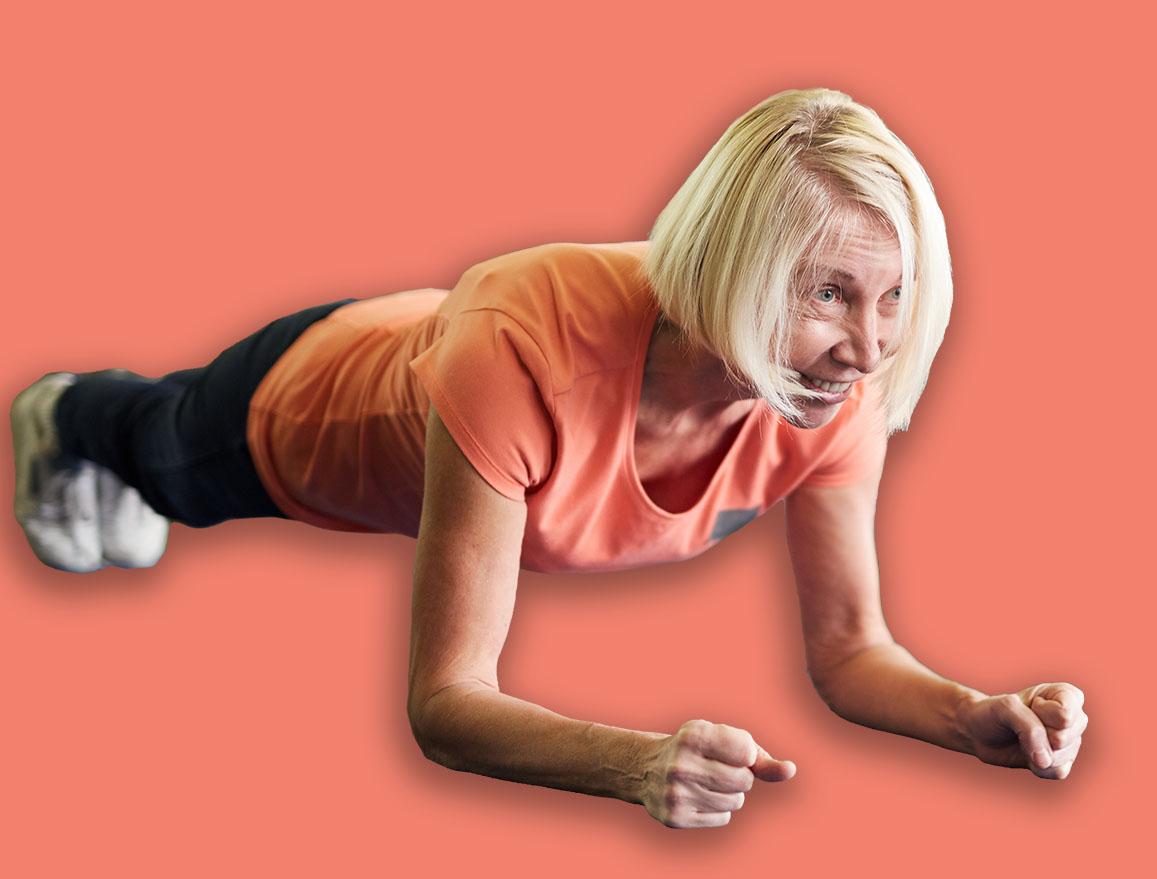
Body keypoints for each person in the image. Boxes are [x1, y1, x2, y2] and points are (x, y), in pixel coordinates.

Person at [12, 89, 1087, 828]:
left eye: (895, 295)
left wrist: (968, 716)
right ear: (733, 269)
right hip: (302, 412)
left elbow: (850, 648)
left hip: (434, 353)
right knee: (161, 464)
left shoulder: (830, 387)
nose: (869, 347)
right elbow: (444, 703)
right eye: (829, 294)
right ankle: (59, 417)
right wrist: (637, 764)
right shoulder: (525, 355)